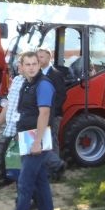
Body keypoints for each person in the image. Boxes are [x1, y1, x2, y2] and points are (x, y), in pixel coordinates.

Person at [0, 51, 56, 210]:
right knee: (40, 180)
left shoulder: (43, 84)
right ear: (21, 66)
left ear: (39, 65)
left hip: (36, 137)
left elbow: (44, 113)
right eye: (27, 64)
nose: (31, 67)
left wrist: (37, 142)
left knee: (25, 183)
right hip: (26, 135)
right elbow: (16, 110)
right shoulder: (27, 84)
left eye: (34, 63)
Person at [36, 47, 67, 179]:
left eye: (41, 57)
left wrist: (51, 112)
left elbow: (61, 95)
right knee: (43, 140)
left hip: (53, 114)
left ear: (49, 58)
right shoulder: (38, 73)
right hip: (41, 114)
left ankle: (55, 170)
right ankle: (45, 169)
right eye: (37, 57)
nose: (39, 59)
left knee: (51, 140)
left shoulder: (56, 74)